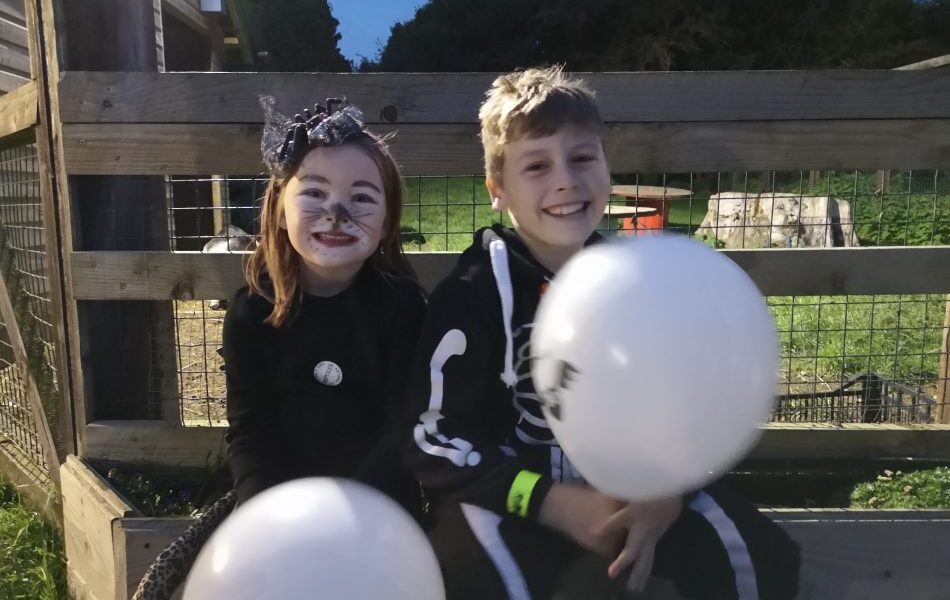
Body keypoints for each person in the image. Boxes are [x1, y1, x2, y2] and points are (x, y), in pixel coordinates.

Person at [405, 66, 800, 599]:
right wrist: (551, 502)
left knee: (763, 561)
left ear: (607, 167)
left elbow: (693, 403)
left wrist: (667, 492)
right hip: (512, 500)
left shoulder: (647, 280)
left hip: (637, 495)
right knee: (485, 584)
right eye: (537, 166)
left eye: (582, 158)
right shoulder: (472, 294)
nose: (565, 179)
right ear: (498, 190)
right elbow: (431, 436)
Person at [224, 96, 426, 517]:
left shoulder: (404, 308)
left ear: (387, 222)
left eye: (363, 198)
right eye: (314, 193)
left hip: (381, 510)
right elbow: (251, 432)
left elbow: (403, 429)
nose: (336, 213)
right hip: (284, 509)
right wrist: (265, 515)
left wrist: (353, 515)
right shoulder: (250, 315)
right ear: (279, 212)